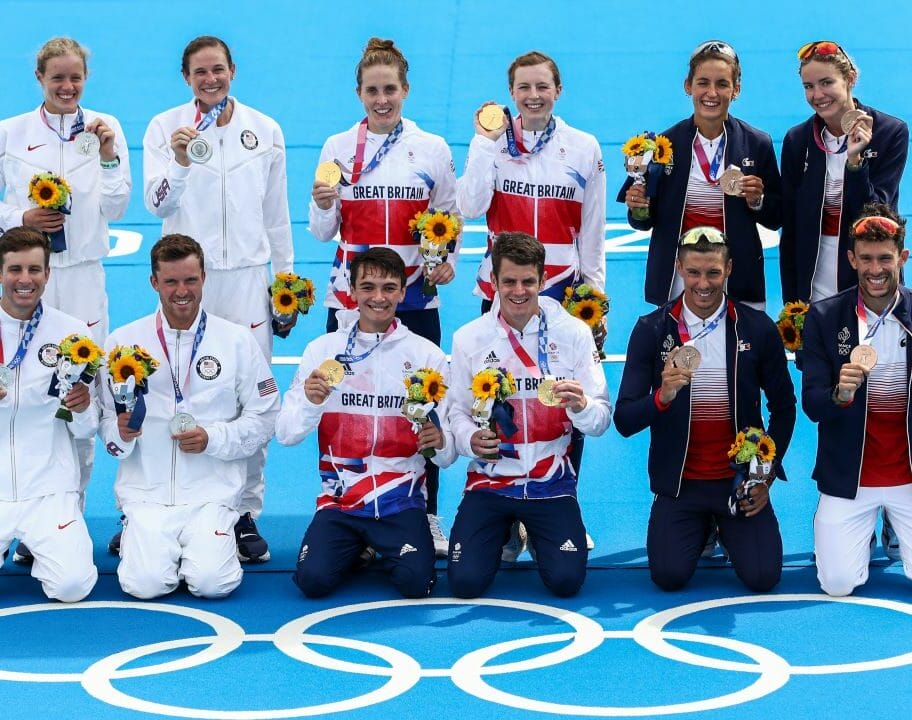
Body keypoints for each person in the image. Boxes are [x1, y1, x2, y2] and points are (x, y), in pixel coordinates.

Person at [143, 35, 292, 562]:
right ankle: (153, 504)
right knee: (173, 389)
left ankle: (244, 510)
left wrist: (286, 281)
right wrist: (180, 160)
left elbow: (276, 213)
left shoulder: (264, 129)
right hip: (189, 281)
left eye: (219, 70)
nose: (211, 80)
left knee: (253, 394)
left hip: (249, 280)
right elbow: (155, 200)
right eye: (200, 72)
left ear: (233, 70)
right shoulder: (165, 128)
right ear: (187, 78)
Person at [309, 37, 459, 557]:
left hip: (416, 302)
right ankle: (341, 502)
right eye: (372, 91)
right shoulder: (335, 149)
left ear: (406, 90)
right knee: (345, 406)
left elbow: (449, 218)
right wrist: (325, 204)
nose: (382, 100)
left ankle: (427, 512)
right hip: (349, 303)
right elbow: (321, 231)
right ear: (358, 93)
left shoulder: (432, 149)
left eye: (390, 90)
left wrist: (445, 263)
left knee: (422, 409)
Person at [457, 50, 606, 546]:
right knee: (495, 401)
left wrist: (596, 296)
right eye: (524, 87)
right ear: (511, 93)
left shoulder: (583, 147)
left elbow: (593, 228)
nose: (534, 95)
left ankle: (560, 503)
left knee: (565, 402)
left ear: (557, 91)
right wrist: (482, 143)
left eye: (542, 86)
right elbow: (470, 204)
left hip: (563, 288)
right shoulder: (494, 143)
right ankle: (501, 514)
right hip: (505, 288)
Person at [0, 37, 131, 561]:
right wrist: (19, 220)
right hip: (28, 278)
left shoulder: (105, 128)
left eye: (75, 77)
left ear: (85, 78)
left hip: (82, 281)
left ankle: (65, 518)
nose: (67, 86)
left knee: (82, 399)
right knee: (21, 393)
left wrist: (107, 158)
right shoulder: (10, 133)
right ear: (39, 78)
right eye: (57, 77)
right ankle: (19, 504)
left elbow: (119, 207)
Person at [615, 227, 796, 592]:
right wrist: (661, 398)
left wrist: (764, 475)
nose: (703, 283)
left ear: (729, 269)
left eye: (713, 272)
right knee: (669, 576)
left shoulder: (757, 329)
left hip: (738, 481)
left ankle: (722, 526)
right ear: (679, 267)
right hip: (681, 486)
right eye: (694, 271)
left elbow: (784, 408)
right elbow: (624, 420)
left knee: (763, 577)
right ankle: (706, 527)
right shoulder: (651, 330)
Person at [99, 234, 279, 599]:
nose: (182, 291)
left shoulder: (236, 341)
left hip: (211, 493)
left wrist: (213, 438)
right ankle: (143, 533)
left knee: (214, 585)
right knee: (143, 586)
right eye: (171, 282)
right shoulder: (122, 342)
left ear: (203, 278)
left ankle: (205, 542)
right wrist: (120, 434)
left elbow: (265, 415)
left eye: (190, 280)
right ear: (154, 282)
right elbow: (105, 422)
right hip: (147, 493)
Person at [276, 248, 454, 598]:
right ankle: (361, 545)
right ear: (352, 291)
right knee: (312, 582)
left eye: (389, 288)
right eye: (368, 287)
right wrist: (312, 404)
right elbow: (286, 433)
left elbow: (446, 457)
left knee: (416, 584)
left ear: (403, 293)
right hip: (340, 501)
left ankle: (374, 547)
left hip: (400, 502)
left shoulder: (426, 355)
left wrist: (441, 441)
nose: (378, 297)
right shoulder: (322, 350)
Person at [446, 232, 611, 598]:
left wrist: (581, 407)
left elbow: (601, 418)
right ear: (493, 282)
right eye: (508, 281)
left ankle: (536, 531)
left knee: (566, 582)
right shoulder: (468, 339)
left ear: (543, 280)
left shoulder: (574, 334)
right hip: (490, 483)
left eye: (527, 281)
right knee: (465, 583)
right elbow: (456, 411)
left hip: (551, 484)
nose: (518, 291)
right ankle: (507, 530)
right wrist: (468, 439)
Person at [620, 40, 781, 310]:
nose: (712, 93)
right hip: (677, 280)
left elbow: (777, 217)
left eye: (722, 84)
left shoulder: (757, 143)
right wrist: (638, 208)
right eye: (703, 82)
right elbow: (641, 222)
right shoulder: (662, 145)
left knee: (738, 353)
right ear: (688, 86)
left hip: (738, 280)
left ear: (736, 89)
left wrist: (757, 201)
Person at [801, 204, 912, 596]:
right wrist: (839, 395)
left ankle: (889, 528)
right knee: (837, 584)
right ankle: (860, 531)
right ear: (851, 259)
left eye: (885, 258)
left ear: (902, 256)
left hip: (909, 476)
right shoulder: (824, 317)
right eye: (865, 259)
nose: (875, 269)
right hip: (851, 476)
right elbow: (812, 405)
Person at [0, 227, 98, 601]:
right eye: (15, 270)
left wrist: (84, 407)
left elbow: (88, 431)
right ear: (0, 273)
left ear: (48, 274)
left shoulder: (73, 335)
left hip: (47, 488)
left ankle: (44, 546)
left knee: (72, 587)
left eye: (34, 270)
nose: (25, 280)